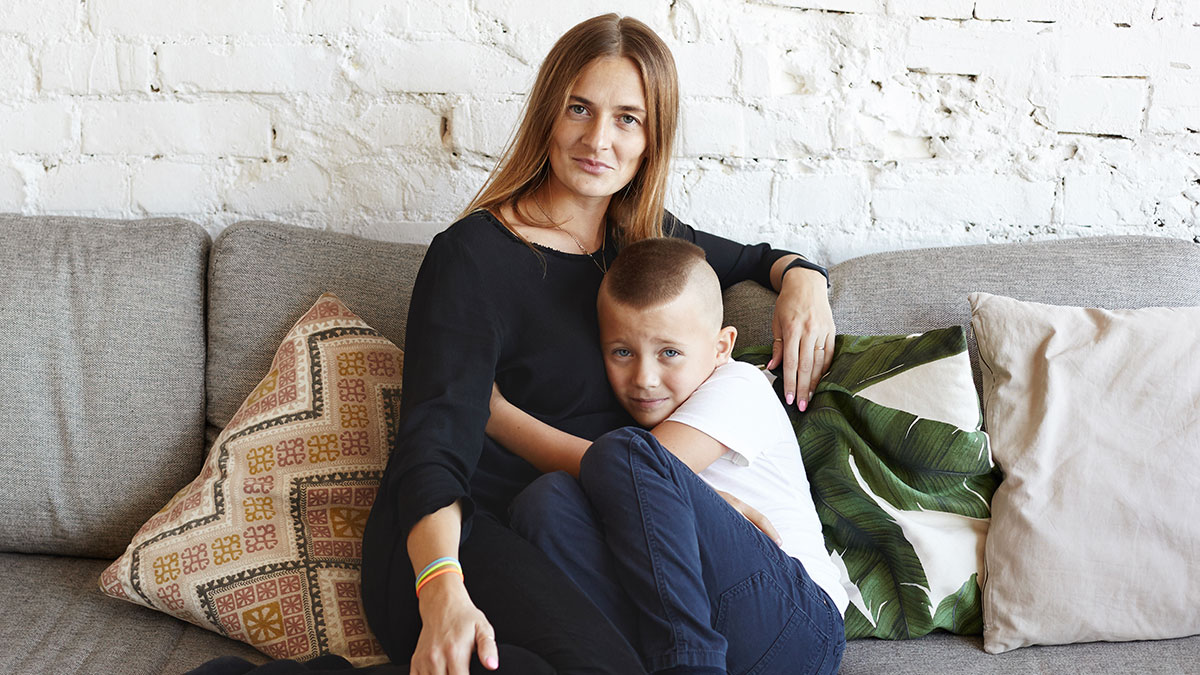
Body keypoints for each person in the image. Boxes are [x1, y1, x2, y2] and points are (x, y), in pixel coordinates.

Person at [356, 13, 836, 675]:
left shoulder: (641, 241)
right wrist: (442, 586)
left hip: (575, 534)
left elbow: (756, 256)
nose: (598, 139)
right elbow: (431, 445)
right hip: (464, 535)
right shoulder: (472, 256)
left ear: (651, 138)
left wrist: (805, 280)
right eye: (579, 108)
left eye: (627, 119)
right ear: (548, 114)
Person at [492, 237, 847, 675]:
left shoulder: (740, 387)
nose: (644, 378)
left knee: (621, 453)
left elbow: (638, 468)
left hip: (797, 624)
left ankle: (688, 666)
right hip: (703, 618)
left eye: (669, 353)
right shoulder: (640, 428)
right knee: (545, 501)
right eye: (622, 352)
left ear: (721, 348)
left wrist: (496, 414)